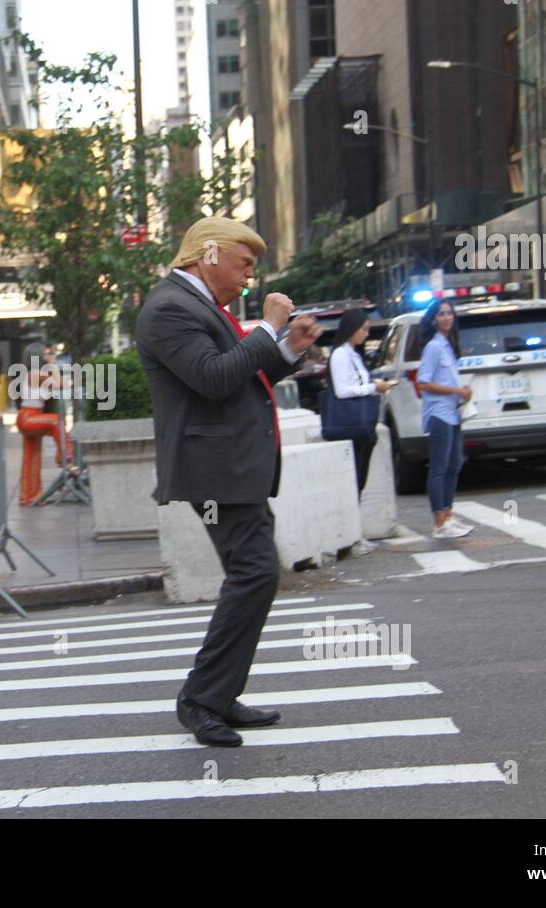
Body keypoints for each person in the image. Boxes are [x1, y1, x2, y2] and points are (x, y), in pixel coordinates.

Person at [136, 215, 320, 747]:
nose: (249, 277)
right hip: (213, 471)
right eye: (244, 264)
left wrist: (286, 347)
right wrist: (266, 327)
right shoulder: (170, 308)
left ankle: (217, 693)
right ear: (209, 254)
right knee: (256, 572)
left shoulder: (200, 307)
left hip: (233, 469)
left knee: (256, 574)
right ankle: (202, 699)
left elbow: (239, 375)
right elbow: (215, 379)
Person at [325, 308, 393, 556]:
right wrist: (373, 387)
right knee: (353, 482)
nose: (366, 333)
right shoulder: (341, 354)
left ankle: (356, 535)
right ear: (352, 328)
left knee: (360, 481)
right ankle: (351, 537)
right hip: (349, 426)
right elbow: (343, 391)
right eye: (363, 329)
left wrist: (373, 387)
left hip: (362, 428)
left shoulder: (352, 354)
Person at [416, 300, 474, 539]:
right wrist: (457, 392)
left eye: (450, 313)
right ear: (433, 319)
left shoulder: (449, 346)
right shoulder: (433, 347)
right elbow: (424, 383)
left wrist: (461, 392)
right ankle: (439, 521)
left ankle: (448, 515)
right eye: (441, 314)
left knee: (454, 465)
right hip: (439, 412)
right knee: (439, 467)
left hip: (453, 412)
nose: (447, 317)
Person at [16, 344, 72, 506]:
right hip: (28, 417)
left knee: (32, 458)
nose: (49, 354)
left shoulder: (36, 373)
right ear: (38, 356)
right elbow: (60, 384)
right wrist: (53, 363)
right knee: (55, 421)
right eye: (46, 353)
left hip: (32, 416)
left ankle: (30, 495)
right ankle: (66, 458)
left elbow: (61, 383)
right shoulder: (35, 374)